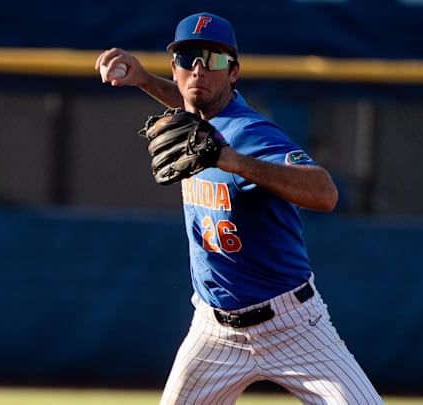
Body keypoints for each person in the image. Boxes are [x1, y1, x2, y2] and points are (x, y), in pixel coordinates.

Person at [96, 12, 383, 405]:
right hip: (212, 332)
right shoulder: (196, 124)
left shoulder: (249, 133)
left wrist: (232, 161)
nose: (198, 69)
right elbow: (193, 104)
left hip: (292, 326)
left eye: (212, 59)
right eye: (187, 58)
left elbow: (325, 192)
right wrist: (144, 81)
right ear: (176, 69)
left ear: (233, 72)